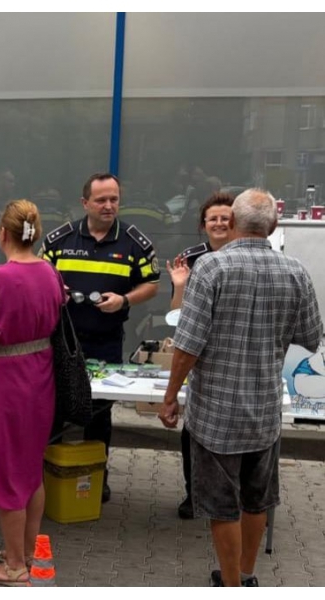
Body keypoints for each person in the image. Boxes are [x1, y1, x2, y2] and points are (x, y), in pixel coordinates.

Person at [159, 189, 323, 587]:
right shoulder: (296, 272)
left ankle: (230, 584)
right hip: (264, 410)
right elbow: (310, 337)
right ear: (273, 225)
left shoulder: (211, 268)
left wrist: (170, 396)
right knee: (256, 498)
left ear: (231, 221)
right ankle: (247, 576)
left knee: (222, 505)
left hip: (216, 413)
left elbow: (187, 344)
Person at [0, 199, 64, 586]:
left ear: (2, 233)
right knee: (30, 470)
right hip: (40, 377)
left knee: (6, 474)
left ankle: (16, 567)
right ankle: (26, 550)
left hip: (3, 382)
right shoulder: (50, 273)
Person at [40, 172, 160, 503]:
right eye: (101, 200)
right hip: (63, 338)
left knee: (99, 410)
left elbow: (152, 284)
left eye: (114, 199)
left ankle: (95, 476)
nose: (109, 206)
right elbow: (38, 274)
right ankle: (48, 474)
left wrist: (125, 300)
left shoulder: (135, 242)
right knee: (54, 406)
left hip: (105, 339)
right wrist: (56, 289)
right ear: (85, 203)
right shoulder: (60, 239)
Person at [165, 192, 234, 520]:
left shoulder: (247, 255)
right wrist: (180, 286)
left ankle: (238, 500)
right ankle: (194, 495)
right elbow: (176, 318)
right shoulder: (190, 259)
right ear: (203, 225)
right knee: (193, 432)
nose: (219, 223)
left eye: (225, 218)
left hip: (236, 358)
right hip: (201, 361)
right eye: (213, 218)